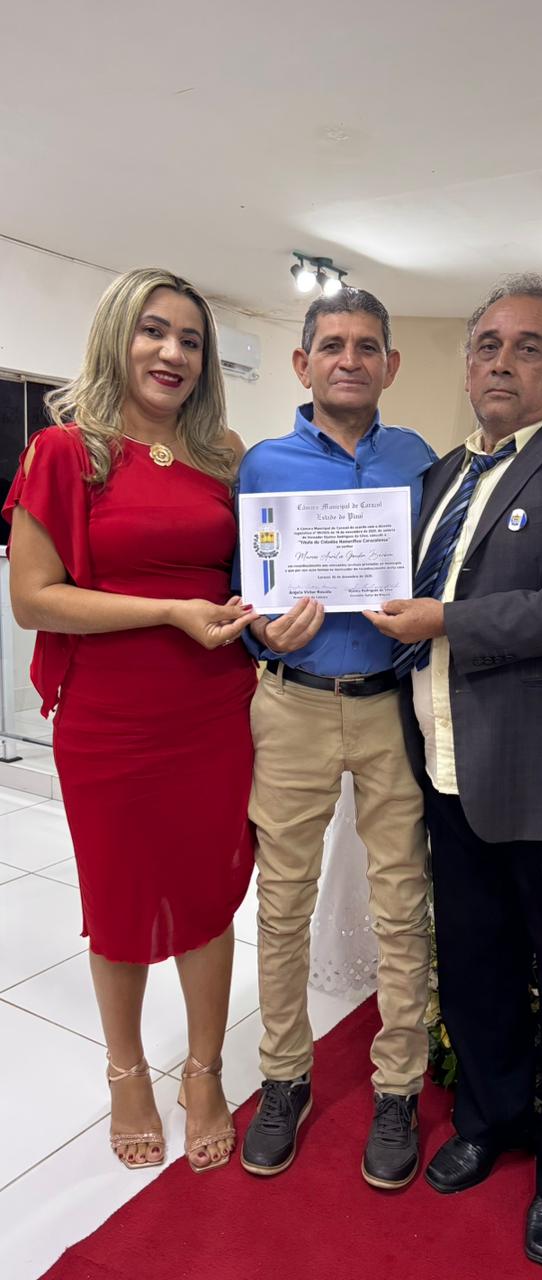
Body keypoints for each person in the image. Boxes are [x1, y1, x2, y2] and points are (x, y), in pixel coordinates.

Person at [365, 274, 542, 1265]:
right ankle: (491, 1120)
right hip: (449, 769)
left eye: (529, 347)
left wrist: (446, 619)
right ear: (467, 365)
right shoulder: (438, 477)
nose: (502, 361)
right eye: (487, 344)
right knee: (477, 968)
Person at [3, 267, 259, 1174]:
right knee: (118, 901)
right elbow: (34, 599)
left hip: (214, 710)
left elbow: (250, 573)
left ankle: (204, 1070)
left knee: (208, 894)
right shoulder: (65, 451)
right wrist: (166, 612)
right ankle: (125, 1073)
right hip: (111, 718)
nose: (172, 352)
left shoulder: (223, 454)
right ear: (118, 334)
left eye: (190, 339)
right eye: (154, 331)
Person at [237, 288, 435, 1189]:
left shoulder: (419, 460)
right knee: (283, 902)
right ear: (303, 363)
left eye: (365, 346)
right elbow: (245, 588)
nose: (348, 360)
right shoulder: (264, 466)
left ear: (390, 364)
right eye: (331, 345)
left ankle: (398, 1088)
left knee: (402, 902)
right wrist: (260, 631)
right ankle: (284, 1076)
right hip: (293, 705)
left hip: (393, 706)